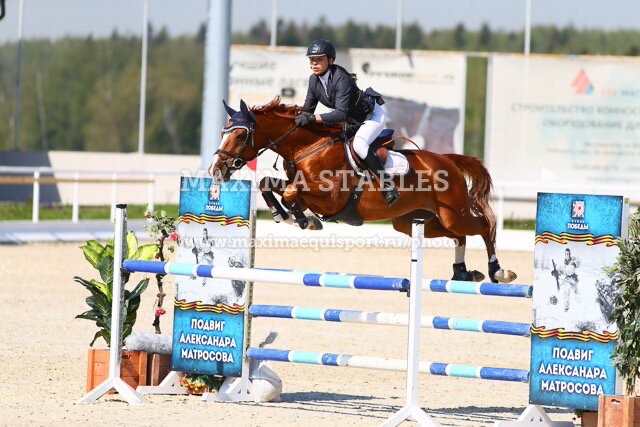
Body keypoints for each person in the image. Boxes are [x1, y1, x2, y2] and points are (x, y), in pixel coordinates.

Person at [295, 39, 400, 206]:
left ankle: (387, 185)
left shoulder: (341, 78)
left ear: (330, 60)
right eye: (312, 59)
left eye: (319, 59)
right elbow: (308, 110)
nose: (314, 63)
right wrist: (295, 119)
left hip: (371, 116)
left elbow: (340, 114)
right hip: (351, 120)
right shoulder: (313, 80)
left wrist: (312, 119)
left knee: (359, 145)